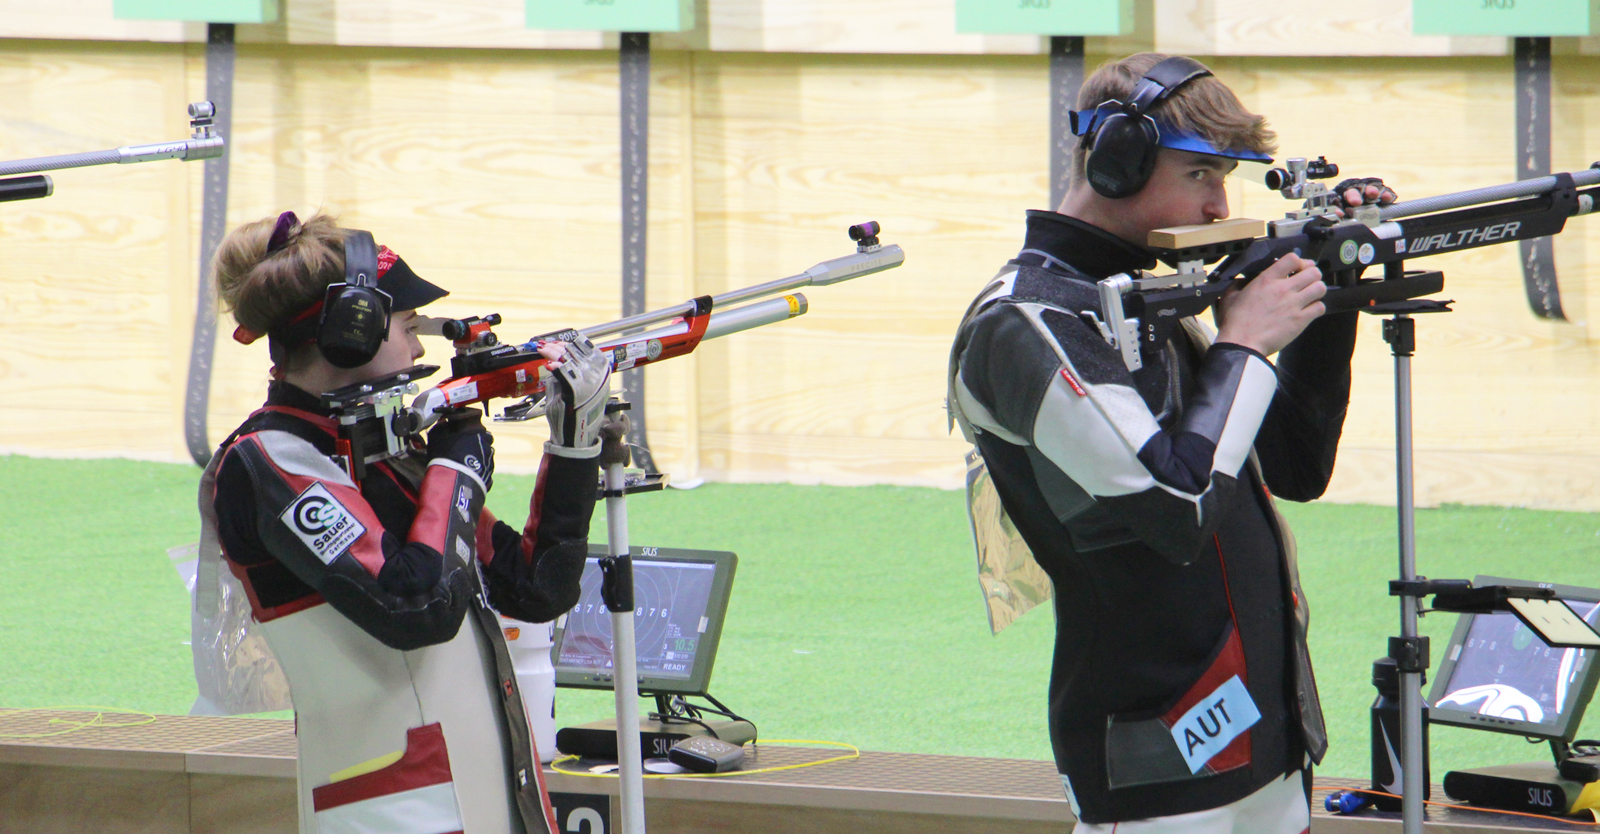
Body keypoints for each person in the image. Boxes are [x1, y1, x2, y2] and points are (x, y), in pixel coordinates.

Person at [947, 54, 1395, 833]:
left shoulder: (1140, 297)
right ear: (1118, 159)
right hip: (1153, 761)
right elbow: (1176, 505)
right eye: (1200, 175)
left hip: (1267, 741)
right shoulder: (1026, 323)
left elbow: (1295, 465)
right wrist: (1246, 344)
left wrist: (1330, 299)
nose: (1221, 202)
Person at [200, 210, 611, 834]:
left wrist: (574, 446)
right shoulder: (267, 461)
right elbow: (416, 606)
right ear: (351, 332)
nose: (420, 347)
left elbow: (536, 587)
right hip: (394, 811)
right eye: (407, 325)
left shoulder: (382, 454)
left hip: (489, 800)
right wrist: (459, 469)